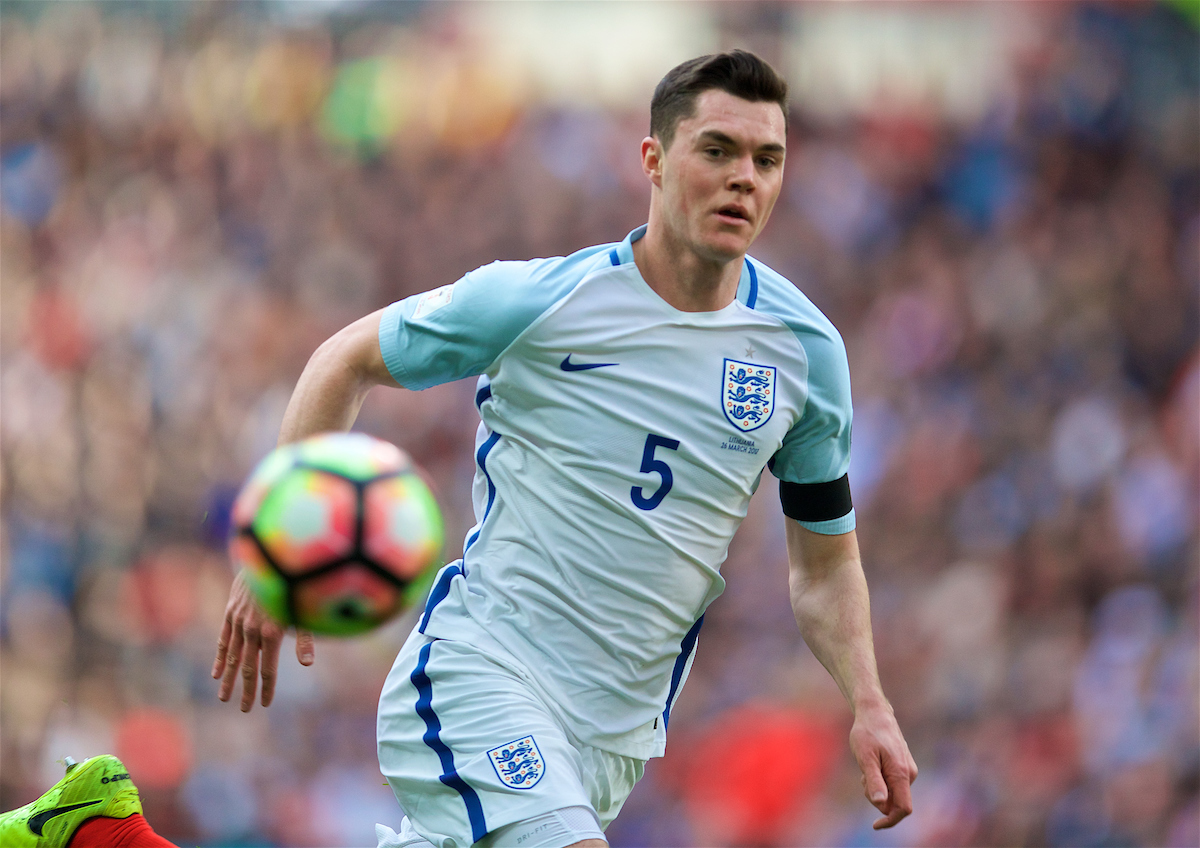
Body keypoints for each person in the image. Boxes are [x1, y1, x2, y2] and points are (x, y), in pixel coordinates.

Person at [212, 49, 918, 848]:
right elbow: (346, 358)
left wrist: (869, 703)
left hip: (609, 743)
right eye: (716, 150)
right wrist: (278, 551)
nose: (744, 179)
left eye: (767, 159)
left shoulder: (804, 353)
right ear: (653, 160)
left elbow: (823, 563)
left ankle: (103, 833)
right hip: (480, 673)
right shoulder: (546, 301)